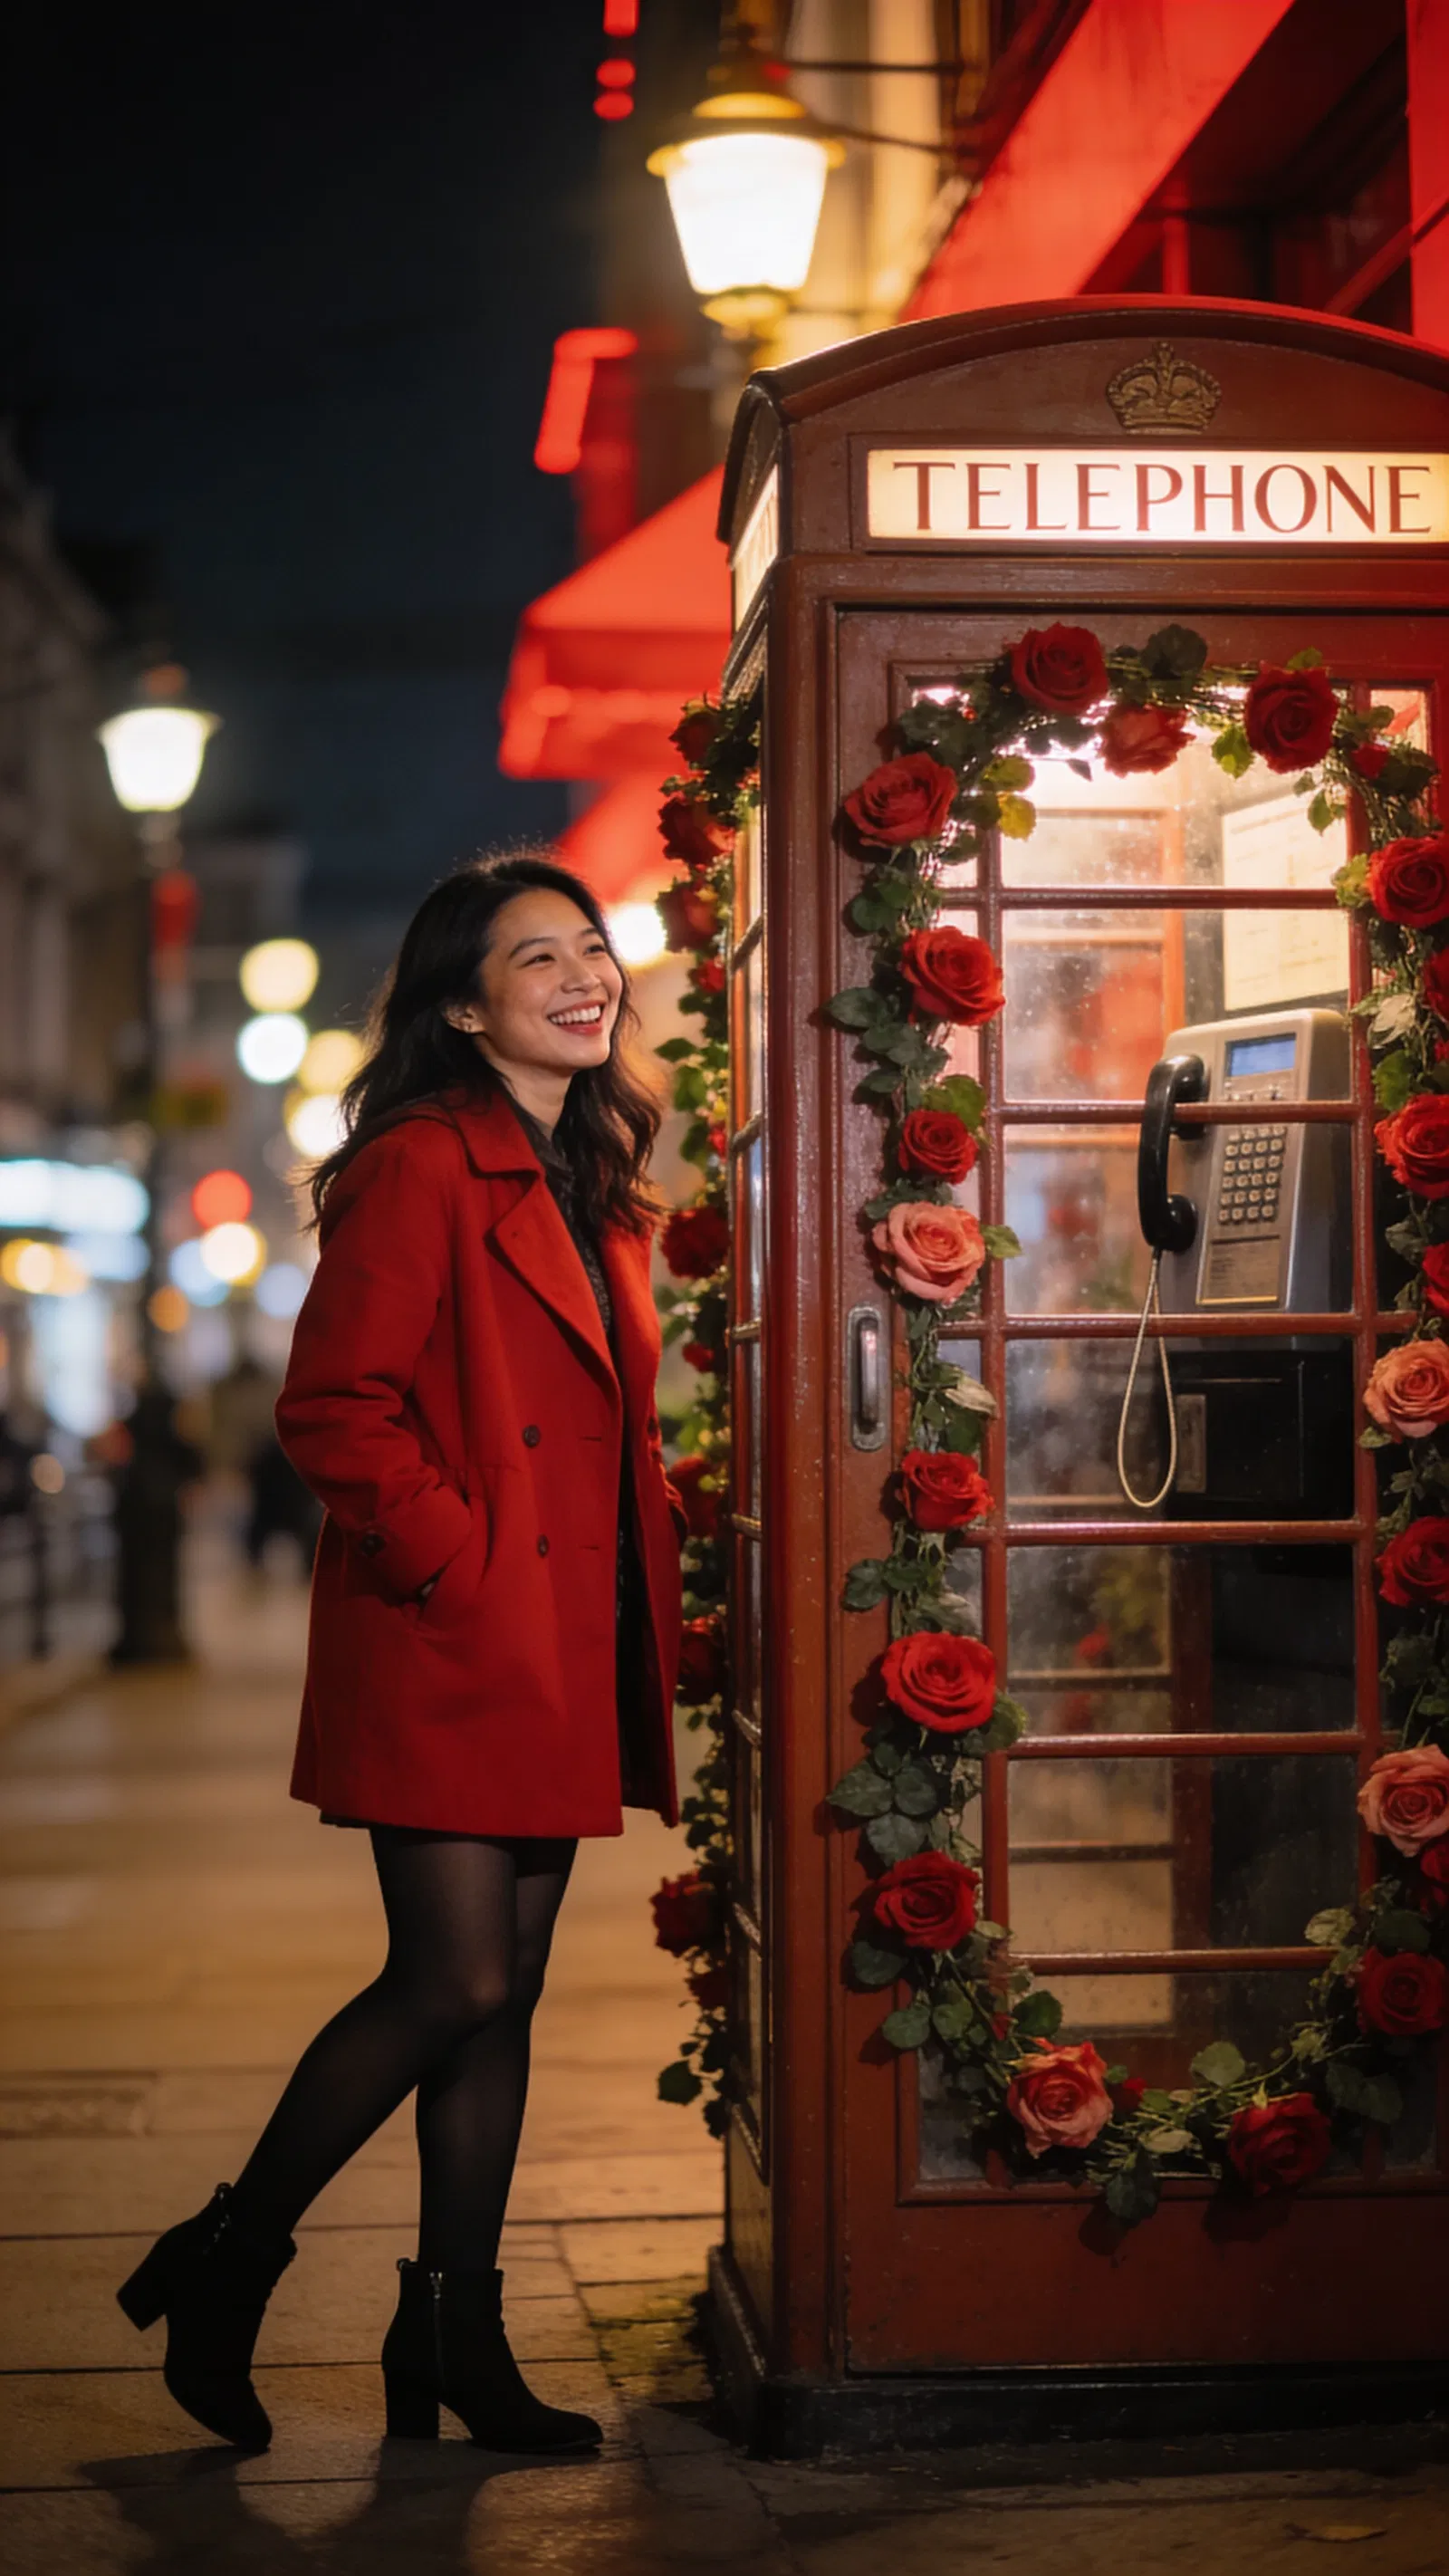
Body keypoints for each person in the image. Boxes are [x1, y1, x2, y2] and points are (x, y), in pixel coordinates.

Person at [117, 854, 687, 2455]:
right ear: (461, 1003)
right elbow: (332, 1406)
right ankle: (228, 2262)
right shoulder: (422, 1164)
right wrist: (462, 1556)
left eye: (591, 951)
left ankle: (448, 2331)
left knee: (502, 2005)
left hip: (558, 1635)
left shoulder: (587, 1178)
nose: (586, 979)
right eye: (538, 961)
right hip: (457, 1632)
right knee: (454, 1978)